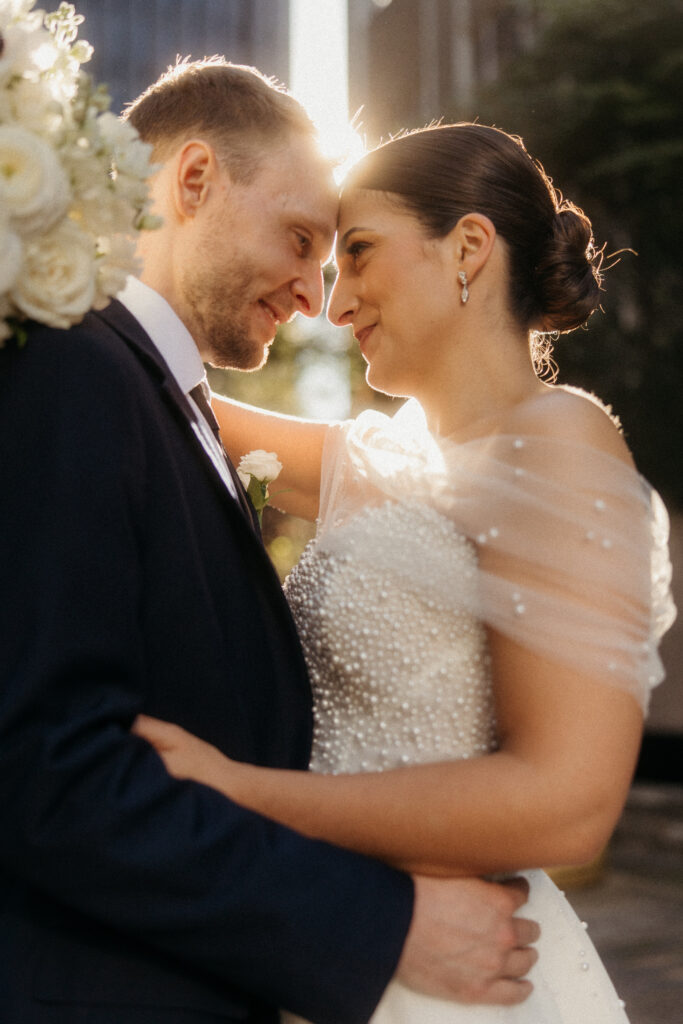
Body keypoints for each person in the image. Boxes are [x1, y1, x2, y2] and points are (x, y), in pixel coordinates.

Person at [0, 64, 540, 1024]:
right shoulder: (73, 370)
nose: (312, 293)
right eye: (300, 240)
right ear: (193, 179)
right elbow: (48, 769)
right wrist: (378, 925)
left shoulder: (157, 396)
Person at [133, 123, 676, 1023]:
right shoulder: (386, 460)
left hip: (463, 980)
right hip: (337, 950)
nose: (331, 305)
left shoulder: (563, 443)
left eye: (358, 252)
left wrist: (240, 795)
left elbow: (567, 802)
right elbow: (151, 383)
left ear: (467, 246)